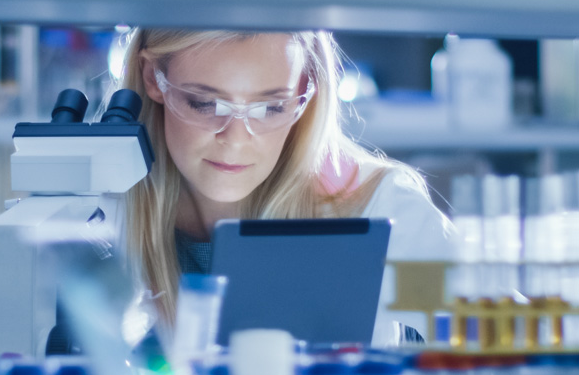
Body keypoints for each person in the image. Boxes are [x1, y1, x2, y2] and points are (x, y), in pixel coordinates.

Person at [103, 28, 456, 347]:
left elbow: (498, 346)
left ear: (306, 92)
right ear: (153, 78)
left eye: (271, 107)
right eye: (206, 104)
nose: (237, 139)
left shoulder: (378, 208)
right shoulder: (104, 213)